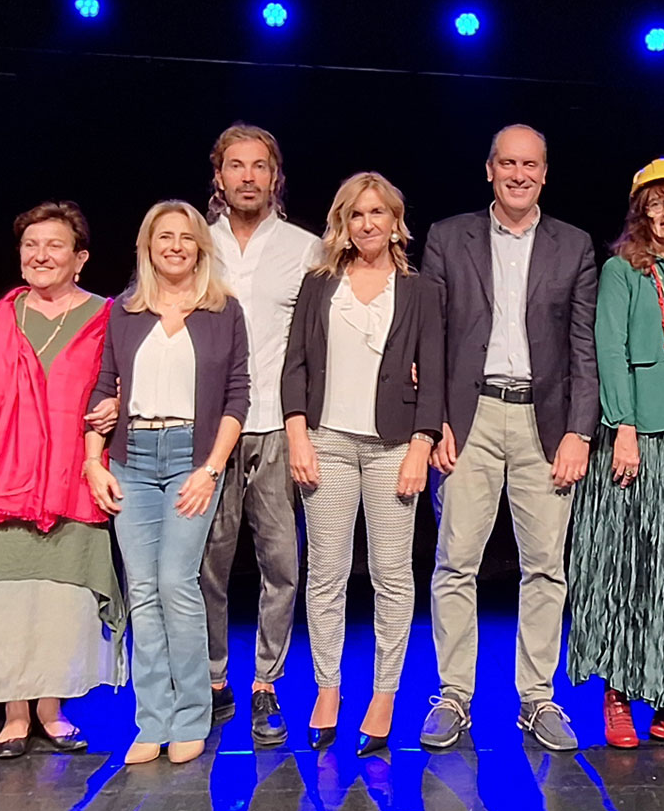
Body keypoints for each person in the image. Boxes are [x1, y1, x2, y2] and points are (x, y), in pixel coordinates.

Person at [0, 202, 125, 759]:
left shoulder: (108, 319)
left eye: (55, 245)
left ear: (80, 258)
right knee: (4, 598)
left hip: (71, 483)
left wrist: (117, 404)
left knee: (58, 600)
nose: (40, 255)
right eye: (31, 245)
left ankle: (52, 711)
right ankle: (14, 713)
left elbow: (126, 385)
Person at [420, 124, 599, 752]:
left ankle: (537, 698)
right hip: (467, 419)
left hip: (542, 423)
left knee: (545, 567)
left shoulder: (574, 245)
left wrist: (579, 431)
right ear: (489, 169)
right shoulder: (448, 237)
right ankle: (453, 695)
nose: (519, 174)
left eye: (530, 165)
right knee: (455, 562)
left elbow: (583, 348)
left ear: (545, 173)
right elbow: (431, 338)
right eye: (508, 164)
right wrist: (434, 420)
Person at [282, 172, 444, 756]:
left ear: (396, 223)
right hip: (326, 440)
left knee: (392, 576)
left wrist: (422, 445)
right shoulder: (319, 284)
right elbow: (295, 364)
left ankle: (383, 696)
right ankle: (327, 689)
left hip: (394, 446)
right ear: (343, 223)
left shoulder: (421, 290)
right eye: (356, 214)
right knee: (326, 573)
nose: (368, 223)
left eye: (378, 213)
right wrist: (297, 434)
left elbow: (434, 372)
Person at [85, 200, 250, 766]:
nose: (175, 246)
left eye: (185, 237)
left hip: (191, 457)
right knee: (143, 590)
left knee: (177, 583)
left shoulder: (223, 310)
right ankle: (152, 720)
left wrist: (211, 469)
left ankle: (192, 716)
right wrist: (93, 461)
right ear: (148, 247)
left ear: (200, 247)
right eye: (164, 237)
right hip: (131, 457)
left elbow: (238, 396)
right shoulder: (125, 311)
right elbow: (104, 387)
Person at [567, 158, 664, 748]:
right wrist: (623, 427)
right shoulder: (621, 272)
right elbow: (610, 349)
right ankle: (618, 694)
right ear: (641, 213)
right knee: (627, 568)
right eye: (656, 202)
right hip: (635, 440)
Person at [199, 124, 323, 745]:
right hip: (211, 429)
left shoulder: (306, 248)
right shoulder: (196, 242)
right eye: (235, 165)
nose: (247, 177)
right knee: (208, 564)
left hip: (278, 424)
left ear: (276, 178)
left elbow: (334, 329)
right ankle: (214, 678)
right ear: (219, 176)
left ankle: (266, 684)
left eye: (259, 166)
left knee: (282, 565)